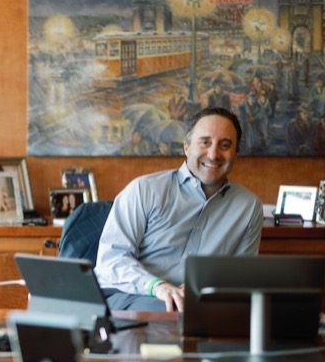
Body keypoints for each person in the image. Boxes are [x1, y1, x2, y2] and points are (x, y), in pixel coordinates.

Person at [95, 107, 263, 312]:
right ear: (186, 147)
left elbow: (240, 276)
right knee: (175, 312)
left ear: (236, 154)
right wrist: (158, 287)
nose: (213, 154)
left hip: (199, 304)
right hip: (131, 296)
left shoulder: (249, 206)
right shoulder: (144, 189)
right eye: (205, 142)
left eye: (225, 145)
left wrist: (204, 288)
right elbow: (111, 260)